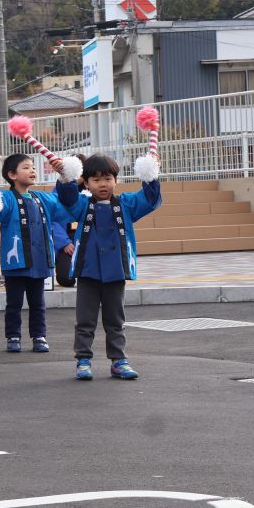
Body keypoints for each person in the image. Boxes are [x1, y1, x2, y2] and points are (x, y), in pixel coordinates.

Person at [56, 154, 161, 381]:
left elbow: (150, 198)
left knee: (115, 320)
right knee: (85, 320)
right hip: (87, 271)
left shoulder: (127, 204)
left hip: (115, 272)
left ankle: (119, 360)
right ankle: (83, 361)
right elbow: (67, 199)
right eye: (95, 179)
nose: (102, 184)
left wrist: (150, 176)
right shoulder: (82, 204)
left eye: (107, 178)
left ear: (115, 180)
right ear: (85, 182)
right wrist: (65, 178)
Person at [0, 153, 70, 354]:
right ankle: (13, 336)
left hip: (39, 262)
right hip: (16, 264)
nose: (32, 170)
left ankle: (39, 335)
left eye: (33, 167)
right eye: (26, 167)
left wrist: (65, 178)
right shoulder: (5, 197)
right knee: (13, 303)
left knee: (38, 303)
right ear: (12, 175)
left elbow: (65, 204)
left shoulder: (43, 198)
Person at [55, 153, 87, 288]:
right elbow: (52, 220)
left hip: (88, 238)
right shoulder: (58, 191)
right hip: (68, 240)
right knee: (65, 279)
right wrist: (64, 243)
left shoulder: (93, 190)